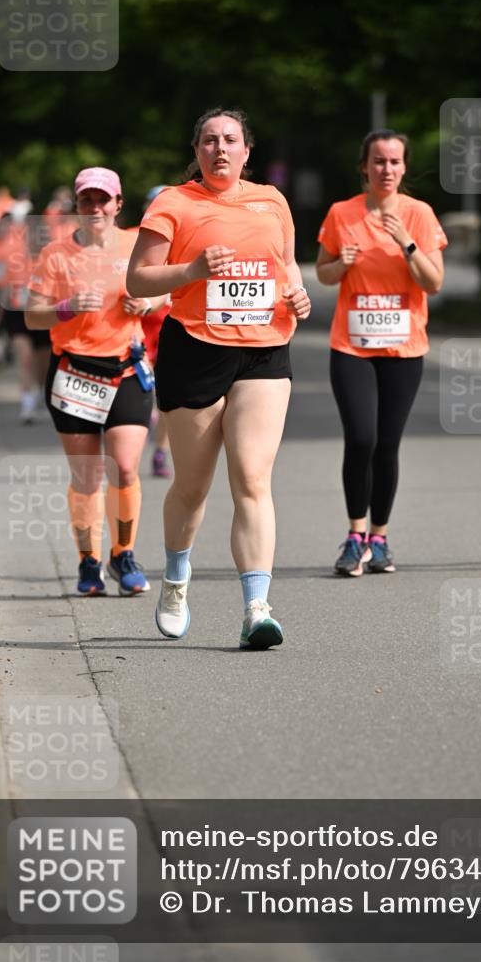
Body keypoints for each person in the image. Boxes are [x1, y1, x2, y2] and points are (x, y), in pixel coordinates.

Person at [127, 107, 310, 647]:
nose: (220, 149)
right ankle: (177, 577)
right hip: (195, 350)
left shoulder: (271, 200)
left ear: (247, 151)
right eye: (210, 141)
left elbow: (288, 263)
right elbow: (138, 277)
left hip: (264, 350)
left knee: (253, 478)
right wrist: (192, 271)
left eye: (230, 140)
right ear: (197, 151)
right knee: (191, 486)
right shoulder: (174, 202)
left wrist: (296, 293)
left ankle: (257, 607)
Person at [25, 167, 168, 595]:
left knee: (124, 468)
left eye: (103, 200)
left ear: (118, 204)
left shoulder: (136, 243)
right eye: (86, 200)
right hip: (74, 373)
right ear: (77, 205)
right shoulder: (55, 255)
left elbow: (168, 289)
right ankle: (89, 561)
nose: (95, 208)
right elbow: (33, 316)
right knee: (87, 476)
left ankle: (123, 553)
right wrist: (65, 308)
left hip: (126, 367)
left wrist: (148, 300)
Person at [316, 129, 447, 576]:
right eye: (377, 161)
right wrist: (343, 262)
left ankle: (381, 538)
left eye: (393, 162)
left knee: (387, 444)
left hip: (404, 348)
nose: (385, 169)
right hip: (351, 346)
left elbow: (433, 283)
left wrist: (406, 242)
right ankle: (355, 537)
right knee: (361, 438)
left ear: (404, 167)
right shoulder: (342, 213)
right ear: (364, 167)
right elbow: (324, 273)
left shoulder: (420, 214)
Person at [0, 212, 51, 421]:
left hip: (43, 316)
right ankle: (27, 404)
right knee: (26, 359)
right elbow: (5, 290)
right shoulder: (15, 261)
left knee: (43, 364)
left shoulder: (51, 262)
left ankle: (39, 394)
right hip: (18, 316)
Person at [139, 186, 172, 478]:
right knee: (142, 389)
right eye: (153, 206)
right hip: (138, 327)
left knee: (167, 400)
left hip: (172, 329)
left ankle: (160, 452)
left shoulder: (186, 242)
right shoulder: (135, 243)